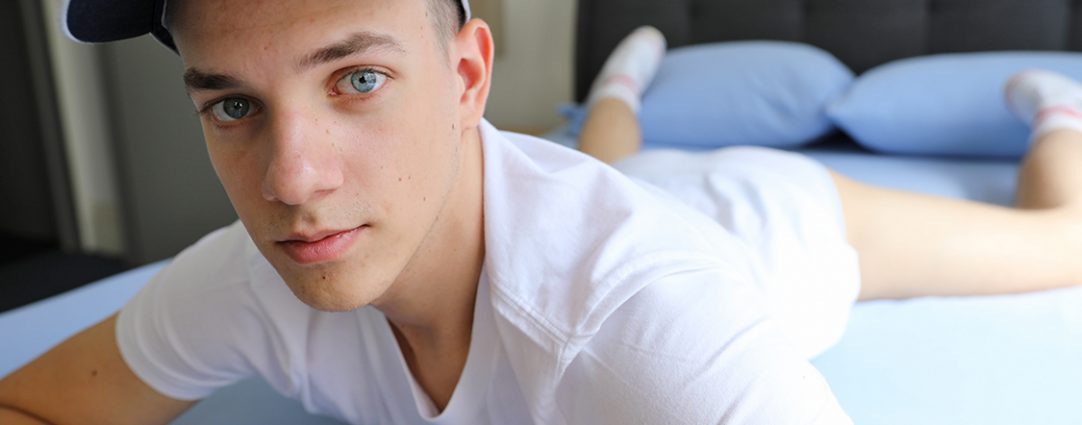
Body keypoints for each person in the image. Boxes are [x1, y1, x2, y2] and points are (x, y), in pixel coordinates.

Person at [1, 0, 1080, 423]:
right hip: (569, 186)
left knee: (1061, 242)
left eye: (358, 80)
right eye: (234, 104)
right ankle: (620, 89)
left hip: (765, 213)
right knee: (600, 158)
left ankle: (1053, 109)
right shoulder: (259, 268)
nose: (291, 180)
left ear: (466, 77)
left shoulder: (656, 333)